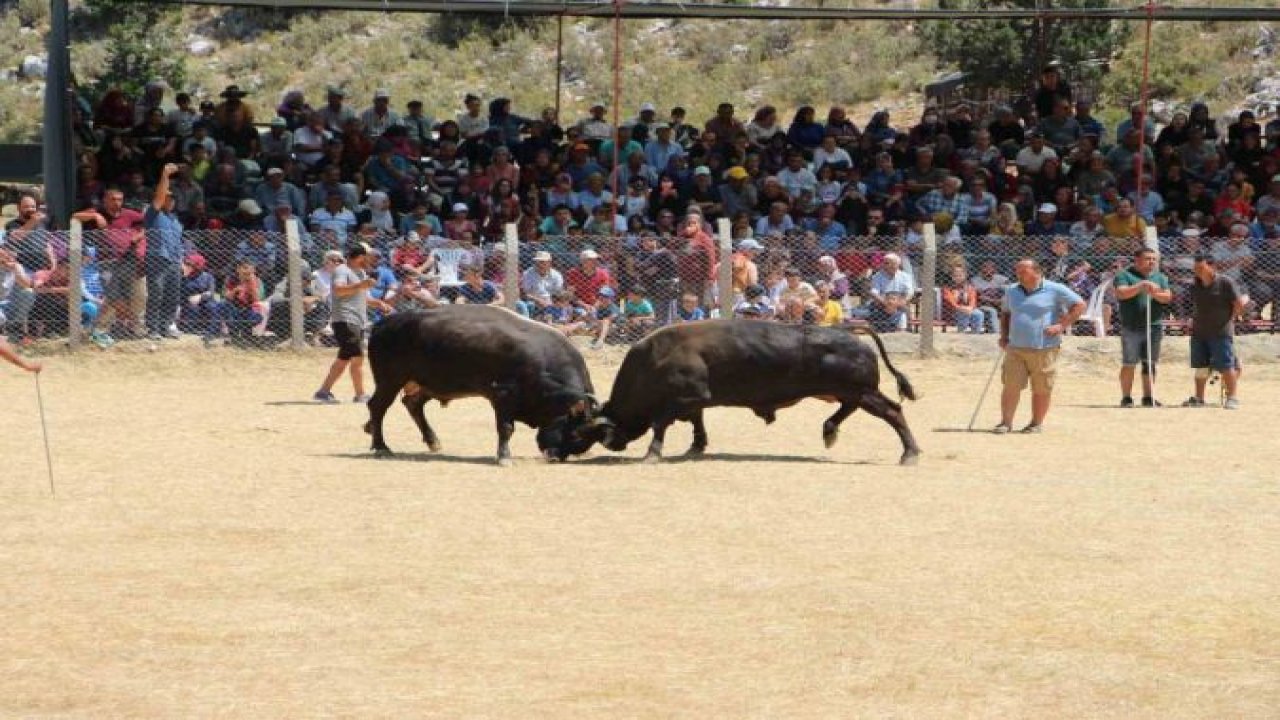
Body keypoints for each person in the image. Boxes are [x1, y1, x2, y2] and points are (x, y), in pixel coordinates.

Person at [996, 258, 1086, 434]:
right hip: (1015, 348)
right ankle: (1005, 423)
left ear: (1037, 272)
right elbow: (1006, 314)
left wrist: (1061, 325)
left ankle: (1036, 423)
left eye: (1023, 271)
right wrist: (1004, 336)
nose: (1019, 274)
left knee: (1041, 387)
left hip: (1044, 348)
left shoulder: (1055, 289)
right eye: (1018, 271)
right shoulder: (1011, 291)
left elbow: (1080, 305)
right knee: (1011, 385)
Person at [313, 244, 390, 404]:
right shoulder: (342, 270)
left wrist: (378, 303)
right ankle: (360, 394)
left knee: (345, 357)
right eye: (369, 257)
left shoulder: (360, 272)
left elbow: (362, 297)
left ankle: (324, 391)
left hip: (357, 321)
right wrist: (361, 285)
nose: (372, 260)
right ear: (361, 257)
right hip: (345, 319)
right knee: (357, 357)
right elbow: (339, 290)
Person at [1183, 254, 1246, 409]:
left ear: (1212, 266)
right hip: (1199, 332)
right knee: (1201, 366)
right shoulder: (1194, 285)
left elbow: (1238, 304)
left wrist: (1230, 319)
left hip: (1220, 331)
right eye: (1195, 268)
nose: (1197, 271)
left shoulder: (1225, 283)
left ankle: (1232, 398)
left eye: (1201, 267)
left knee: (1226, 365)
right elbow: (1193, 306)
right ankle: (1199, 398)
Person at [1114, 248, 1173, 408]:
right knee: (1129, 362)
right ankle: (1126, 397)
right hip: (1131, 326)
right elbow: (1121, 293)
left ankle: (1148, 396)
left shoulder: (1160, 277)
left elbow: (1167, 297)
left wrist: (1154, 293)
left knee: (1150, 363)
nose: (1152, 262)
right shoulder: (1124, 275)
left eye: (1154, 259)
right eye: (1148, 258)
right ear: (1137, 260)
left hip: (1153, 326)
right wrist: (1141, 286)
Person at [144, 163, 186, 340]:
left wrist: (182, 261)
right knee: (156, 295)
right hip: (157, 260)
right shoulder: (152, 214)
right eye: (166, 197)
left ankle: (166, 326)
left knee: (172, 296)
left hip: (174, 262)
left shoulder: (176, 220)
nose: (169, 200)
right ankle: (152, 328)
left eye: (172, 198)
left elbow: (178, 243)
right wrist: (165, 175)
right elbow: (160, 196)